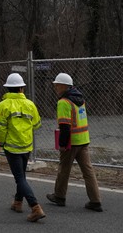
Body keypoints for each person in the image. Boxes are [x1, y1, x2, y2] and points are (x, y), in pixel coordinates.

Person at [46, 73, 103, 212]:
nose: (55, 87)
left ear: (64, 86)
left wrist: (62, 144)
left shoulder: (64, 102)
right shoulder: (80, 99)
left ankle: (59, 196)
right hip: (83, 140)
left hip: (71, 142)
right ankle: (95, 200)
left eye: (57, 85)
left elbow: (65, 126)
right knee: (88, 172)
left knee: (64, 170)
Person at [0, 72, 45, 222]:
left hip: (12, 147)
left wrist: (1, 142)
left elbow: (1, 127)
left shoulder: (3, 105)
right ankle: (17, 202)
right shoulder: (30, 104)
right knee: (21, 176)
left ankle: (35, 207)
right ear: (21, 88)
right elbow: (37, 124)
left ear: (8, 89)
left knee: (19, 178)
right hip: (27, 146)